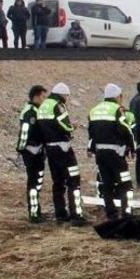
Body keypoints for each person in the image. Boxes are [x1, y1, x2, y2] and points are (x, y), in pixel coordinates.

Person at [36, 83, 86, 225]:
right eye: (67, 95)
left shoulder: (44, 105)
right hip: (63, 148)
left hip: (50, 149)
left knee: (58, 182)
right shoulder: (58, 105)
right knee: (73, 180)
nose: (67, 98)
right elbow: (64, 125)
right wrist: (73, 127)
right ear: (62, 94)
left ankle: (60, 214)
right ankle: (76, 215)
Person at [88, 84, 136, 220]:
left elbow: (91, 132)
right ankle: (127, 213)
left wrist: (90, 148)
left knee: (107, 184)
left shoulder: (94, 110)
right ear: (118, 97)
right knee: (125, 183)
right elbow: (126, 129)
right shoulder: (117, 110)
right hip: (115, 153)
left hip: (100, 153)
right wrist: (132, 148)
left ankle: (111, 214)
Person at [17, 85, 48, 222]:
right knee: (34, 183)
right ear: (36, 96)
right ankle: (34, 214)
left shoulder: (36, 110)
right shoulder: (30, 112)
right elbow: (24, 132)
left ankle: (37, 210)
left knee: (38, 181)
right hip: (32, 151)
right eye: (43, 96)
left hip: (39, 151)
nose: (44, 99)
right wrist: (21, 149)